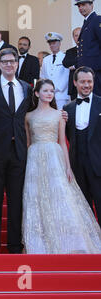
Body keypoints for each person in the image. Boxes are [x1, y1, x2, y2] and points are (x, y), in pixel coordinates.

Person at [23, 78, 101, 253]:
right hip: (34, 158)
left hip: (54, 157)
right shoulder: (28, 116)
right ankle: (38, 243)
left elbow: (63, 143)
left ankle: (68, 241)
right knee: (36, 199)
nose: (49, 94)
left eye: (52, 91)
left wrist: (67, 166)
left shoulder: (60, 114)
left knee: (60, 196)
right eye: (45, 91)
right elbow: (27, 143)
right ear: (37, 93)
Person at [0, 48, 32, 254]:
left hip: (19, 151)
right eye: (5, 61)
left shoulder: (26, 88)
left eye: (13, 61)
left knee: (16, 200)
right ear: (0, 64)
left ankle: (14, 244)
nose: (9, 64)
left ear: (17, 63)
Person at [64, 66, 101, 227]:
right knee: (83, 208)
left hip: (98, 165)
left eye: (89, 81)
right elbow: (67, 136)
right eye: (83, 82)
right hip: (77, 165)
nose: (86, 85)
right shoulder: (68, 108)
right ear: (75, 83)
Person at [75, 0, 101, 95]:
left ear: (91, 5)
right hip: (88, 71)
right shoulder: (87, 22)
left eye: (83, 5)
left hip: (96, 71)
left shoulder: (97, 20)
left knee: (97, 102)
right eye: (79, 6)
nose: (81, 8)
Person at [40, 32, 70, 110]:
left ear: (59, 43)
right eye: (50, 44)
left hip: (61, 95)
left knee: (60, 118)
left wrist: (55, 89)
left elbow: (67, 76)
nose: (52, 45)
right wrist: (46, 90)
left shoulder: (65, 57)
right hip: (47, 95)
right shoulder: (46, 59)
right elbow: (43, 76)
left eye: (54, 43)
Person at [63, 27, 82, 100]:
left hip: (89, 85)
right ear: (73, 37)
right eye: (76, 35)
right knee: (75, 109)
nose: (78, 37)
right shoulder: (69, 51)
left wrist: (75, 65)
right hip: (74, 87)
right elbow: (65, 63)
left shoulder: (91, 49)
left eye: (80, 35)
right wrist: (78, 61)